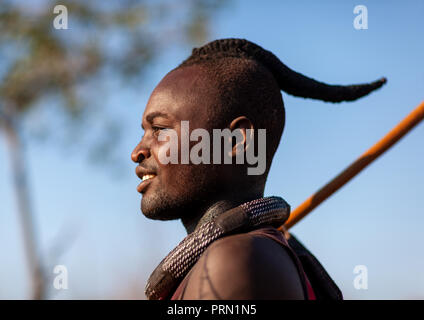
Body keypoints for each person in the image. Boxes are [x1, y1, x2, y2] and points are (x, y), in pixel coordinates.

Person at [131, 38, 385, 300]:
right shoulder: (246, 256)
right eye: (144, 132)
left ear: (235, 142)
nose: (137, 151)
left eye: (160, 130)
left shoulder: (230, 264)